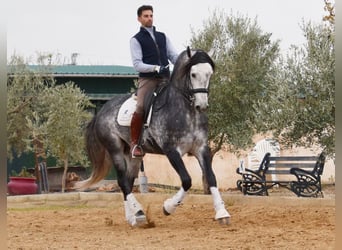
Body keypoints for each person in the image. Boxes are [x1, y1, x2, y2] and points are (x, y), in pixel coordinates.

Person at [129, 5, 179, 158]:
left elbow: (173, 56)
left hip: (166, 78)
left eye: (151, 15)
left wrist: (185, 63)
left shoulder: (163, 36)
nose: (149, 18)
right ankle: (135, 144)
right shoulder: (136, 40)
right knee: (140, 107)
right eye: (145, 16)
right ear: (139, 19)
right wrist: (156, 68)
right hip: (148, 80)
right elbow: (137, 64)